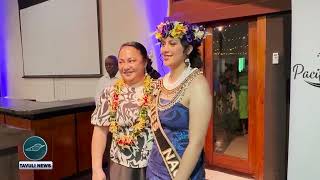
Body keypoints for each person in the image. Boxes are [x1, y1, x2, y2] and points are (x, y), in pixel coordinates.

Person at [146, 20, 212, 180]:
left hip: (181, 172)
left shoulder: (197, 84)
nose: (165, 49)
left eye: (172, 43)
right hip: (154, 169)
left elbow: (196, 143)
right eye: (162, 44)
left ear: (188, 49)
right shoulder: (159, 83)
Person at [91, 42, 160, 180]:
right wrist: (97, 169)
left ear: (145, 62)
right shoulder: (109, 93)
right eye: (121, 62)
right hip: (121, 166)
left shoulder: (158, 90)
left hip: (154, 165)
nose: (125, 67)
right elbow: (100, 131)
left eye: (131, 61)